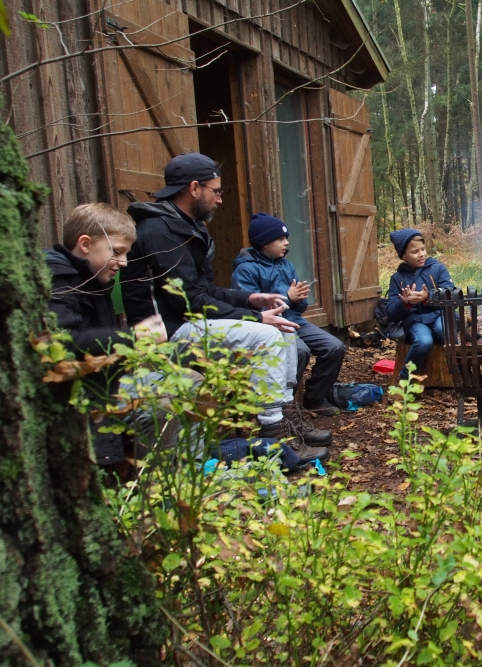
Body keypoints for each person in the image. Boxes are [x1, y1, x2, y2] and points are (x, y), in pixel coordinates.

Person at [119, 153, 331, 460]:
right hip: (164, 333)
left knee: (282, 329)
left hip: (188, 322)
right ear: (194, 188)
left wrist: (249, 299)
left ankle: (286, 417)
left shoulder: (188, 227)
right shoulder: (159, 231)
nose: (220, 199)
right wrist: (257, 316)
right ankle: (273, 439)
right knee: (268, 335)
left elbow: (204, 290)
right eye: (216, 191)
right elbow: (190, 303)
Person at [45, 203, 167, 469]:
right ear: (86, 244)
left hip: (100, 383)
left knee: (187, 381)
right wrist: (132, 338)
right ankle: (157, 492)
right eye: (117, 252)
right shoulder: (59, 279)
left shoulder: (92, 280)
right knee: (169, 400)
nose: (123, 263)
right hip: (80, 393)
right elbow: (62, 343)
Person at [232, 213, 347, 417]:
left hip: (294, 321)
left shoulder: (286, 264)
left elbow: (299, 307)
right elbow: (252, 311)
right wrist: (288, 297)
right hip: (269, 327)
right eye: (280, 239)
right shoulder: (245, 270)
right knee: (299, 351)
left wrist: (299, 299)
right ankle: (284, 406)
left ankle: (314, 398)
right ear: (264, 243)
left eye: (286, 238)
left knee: (334, 347)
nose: (286, 243)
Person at [385, 228, 455, 378]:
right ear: (403, 255)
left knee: (445, 332)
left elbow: (452, 295)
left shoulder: (438, 269)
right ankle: (405, 380)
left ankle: (461, 376)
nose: (422, 254)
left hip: (439, 316)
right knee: (423, 341)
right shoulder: (397, 278)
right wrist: (404, 304)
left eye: (423, 249)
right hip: (415, 321)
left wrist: (428, 297)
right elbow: (391, 313)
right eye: (415, 252)